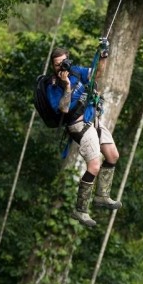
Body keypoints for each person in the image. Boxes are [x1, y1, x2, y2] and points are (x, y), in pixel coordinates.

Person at [47, 43, 122, 227]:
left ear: (68, 60)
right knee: (94, 165)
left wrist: (103, 56)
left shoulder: (76, 72)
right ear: (53, 66)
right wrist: (66, 87)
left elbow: (97, 73)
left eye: (64, 62)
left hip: (92, 118)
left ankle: (102, 196)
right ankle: (80, 210)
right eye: (58, 65)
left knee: (113, 156)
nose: (62, 67)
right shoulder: (53, 86)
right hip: (78, 125)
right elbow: (63, 109)